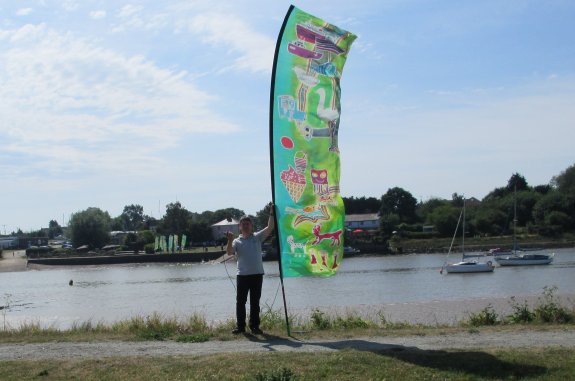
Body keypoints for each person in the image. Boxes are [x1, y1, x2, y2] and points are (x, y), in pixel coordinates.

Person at [226, 206, 274, 334]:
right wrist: (229, 240)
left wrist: (271, 214)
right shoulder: (236, 241)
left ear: (251, 226)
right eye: (243, 224)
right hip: (242, 276)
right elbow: (230, 252)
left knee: (255, 302)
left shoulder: (257, 237)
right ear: (240, 227)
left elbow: (270, 228)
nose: (246, 226)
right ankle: (240, 327)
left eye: (248, 223)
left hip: (257, 274)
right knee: (240, 302)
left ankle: (254, 326)